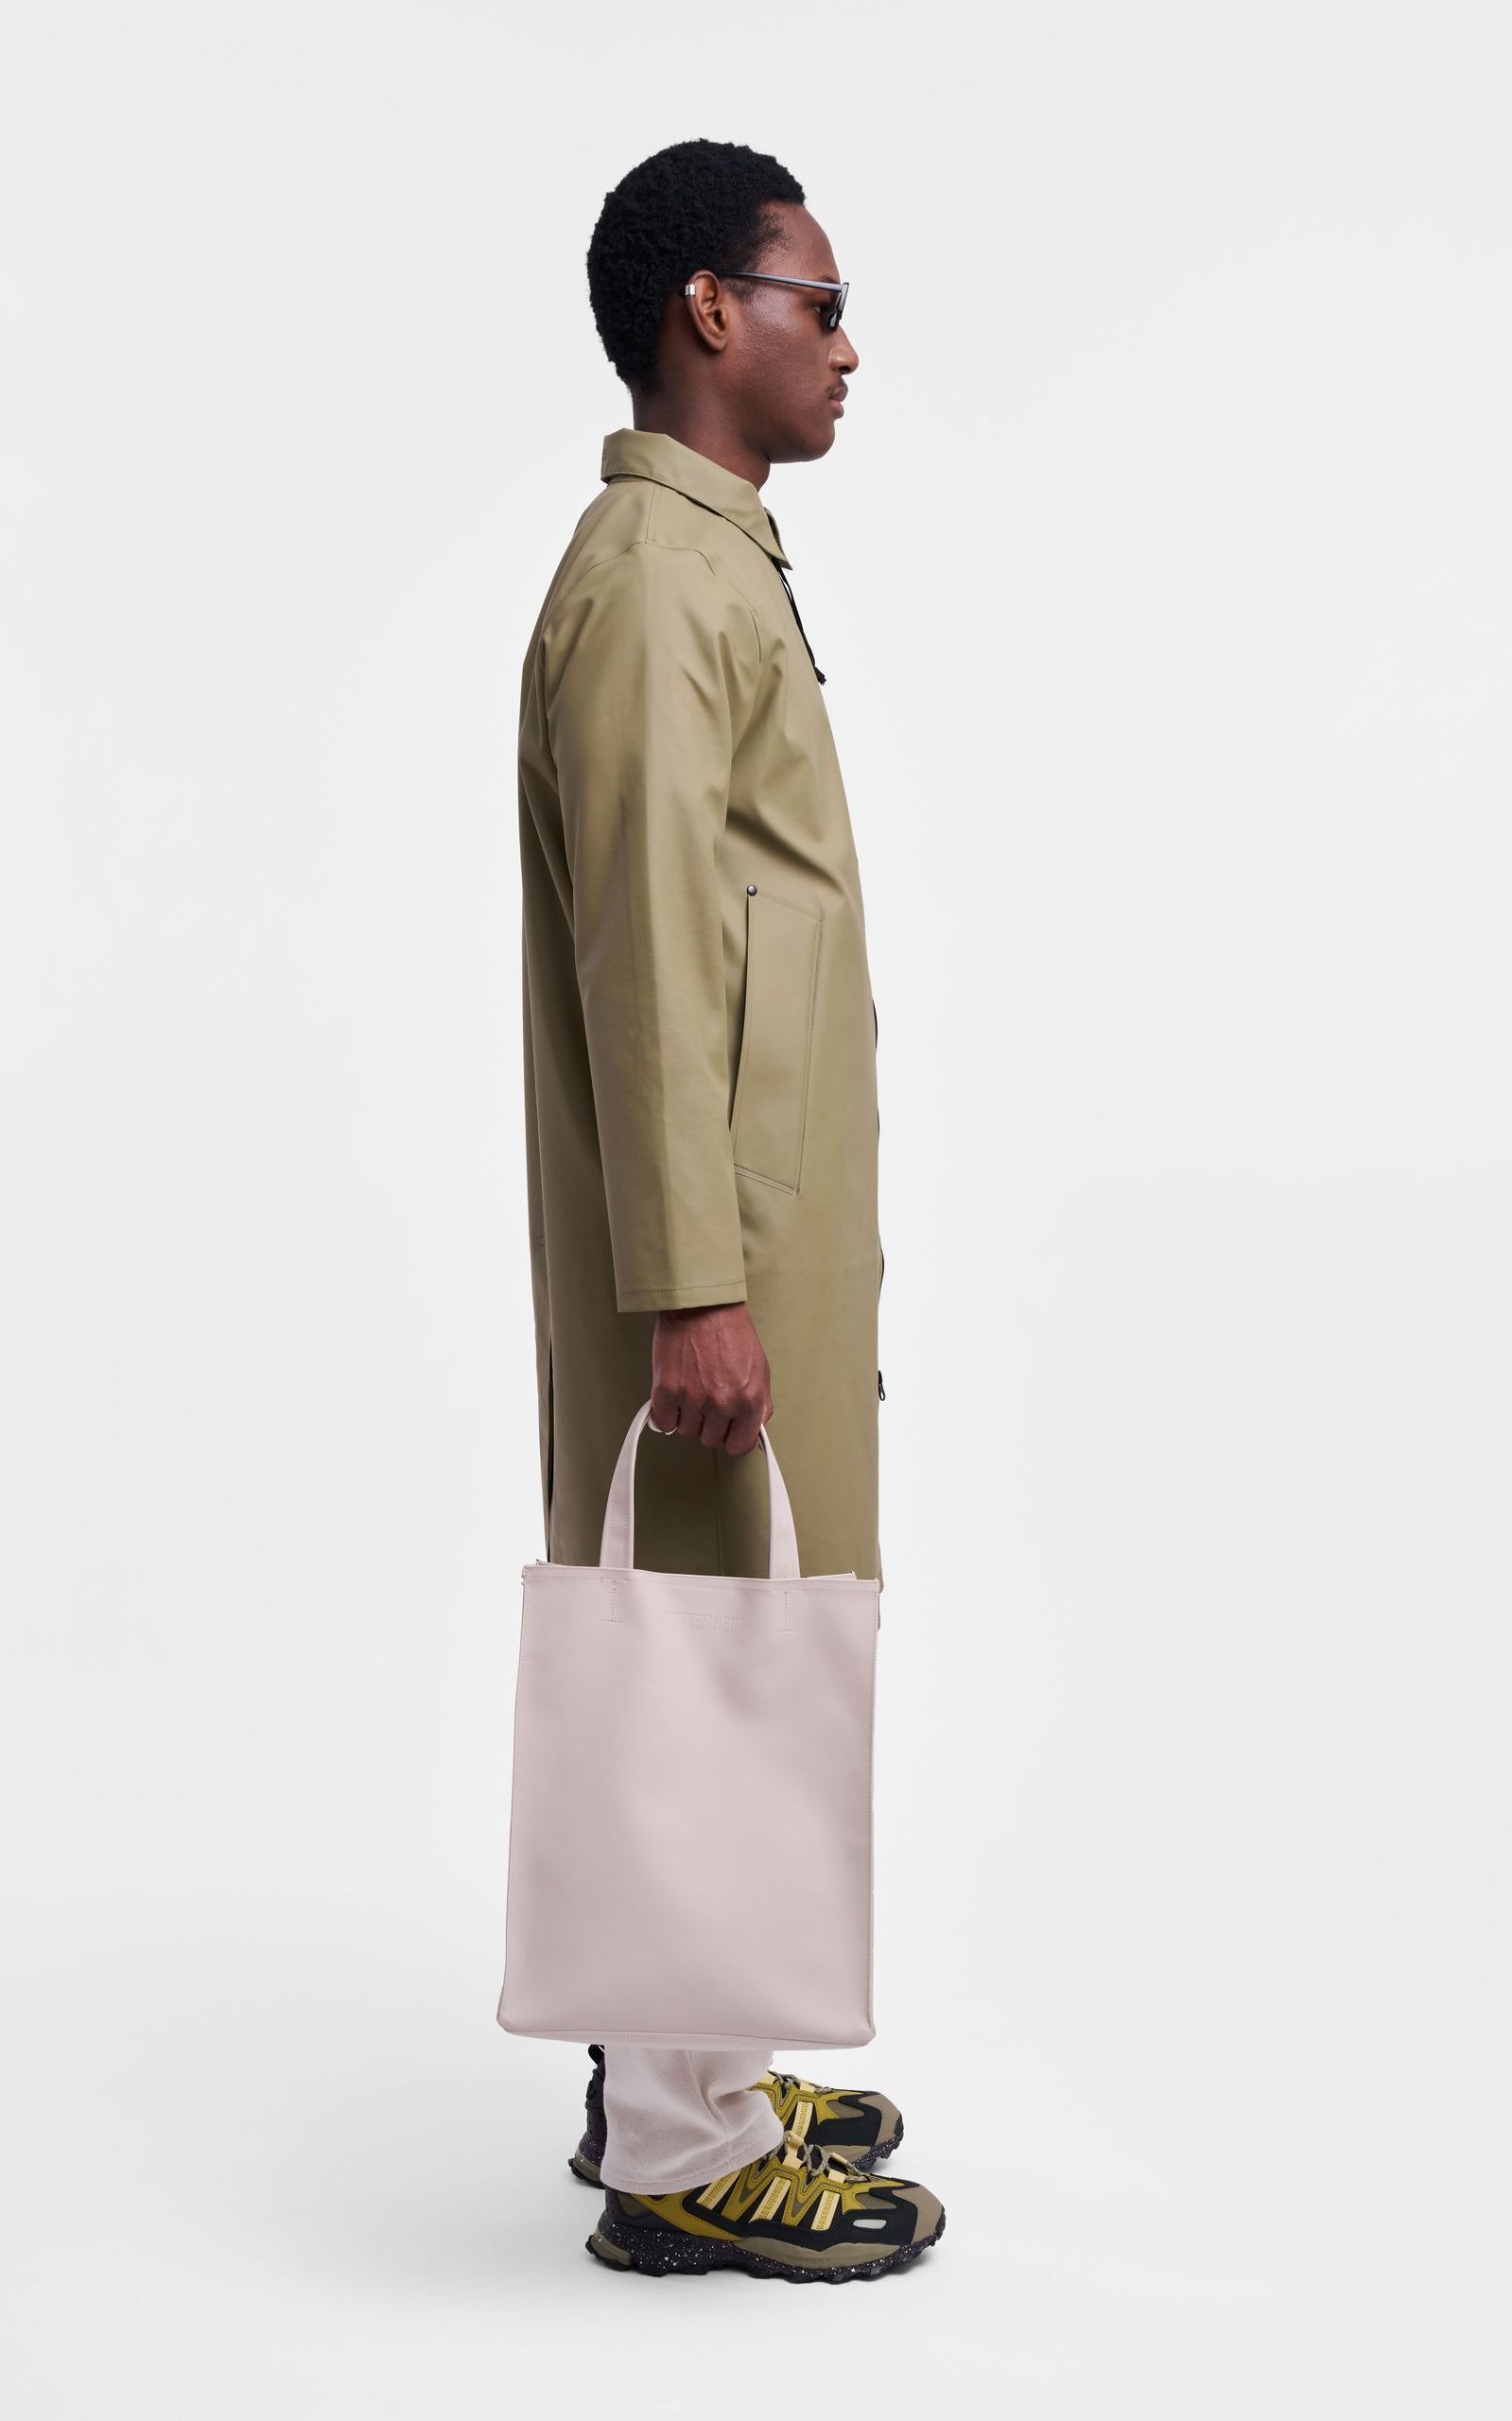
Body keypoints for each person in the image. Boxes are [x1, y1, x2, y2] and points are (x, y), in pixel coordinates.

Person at [515, 137, 945, 2280]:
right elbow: (654, 957)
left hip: (756, 1224)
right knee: (706, 1649)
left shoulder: (705, 560)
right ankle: (685, 2153)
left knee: (735, 1635)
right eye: (819, 304)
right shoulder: (657, 580)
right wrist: (696, 1281)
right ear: (710, 308)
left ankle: (688, 2065)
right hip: (719, 1253)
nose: (846, 349)